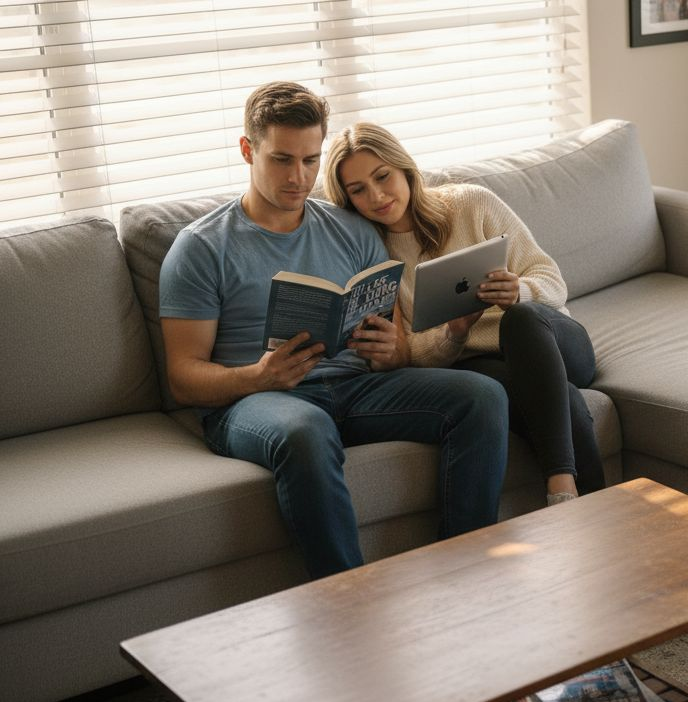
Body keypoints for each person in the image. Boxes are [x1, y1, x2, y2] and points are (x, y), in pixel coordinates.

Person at [158, 83, 509, 579]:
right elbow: (183, 376)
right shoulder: (201, 247)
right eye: (281, 159)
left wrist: (391, 351)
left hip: (357, 386)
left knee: (481, 396)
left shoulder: (352, 229)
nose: (298, 177)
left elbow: (397, 340)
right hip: (256, 401)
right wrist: (258, 376)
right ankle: (349, 598)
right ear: (246, 149)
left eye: (309, 160)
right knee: (305, 430)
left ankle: (465, 571)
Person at [323, 122, 604, 507]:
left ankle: (561, 487)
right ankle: (585, 505)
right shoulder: (374, 256)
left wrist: (518, 292)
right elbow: (411, 355)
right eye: (358, 190)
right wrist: (453, 333)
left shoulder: (471, 203)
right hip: (481, 363)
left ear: (403, 167)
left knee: (519, 320)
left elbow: (551, 280)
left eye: (382, 176)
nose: (377, 195)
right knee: (558, 399)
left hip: (554, 344)